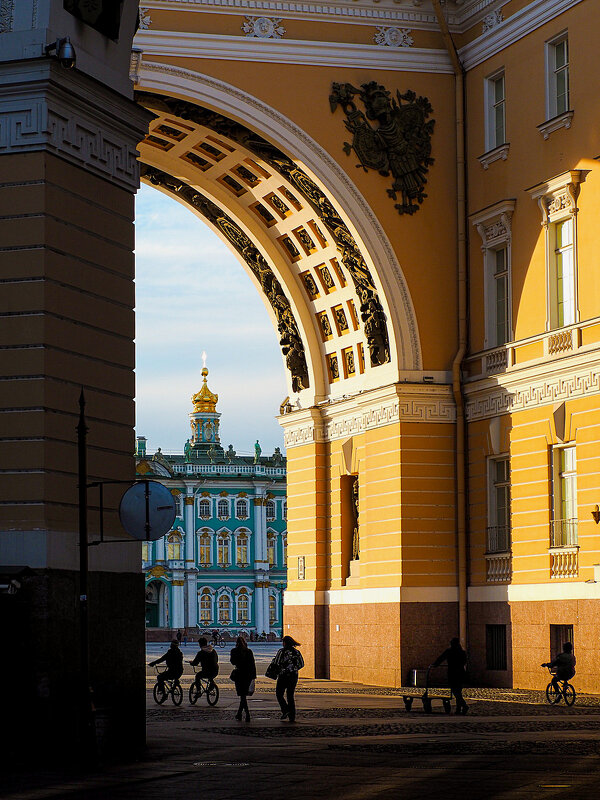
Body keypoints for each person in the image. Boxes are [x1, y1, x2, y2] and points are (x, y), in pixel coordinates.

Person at [432, 637, 468, 715]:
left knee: (455, 691)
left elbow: (441, 658)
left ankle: (464, 705)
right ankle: (459, 709)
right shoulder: (462, 652)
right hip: (461, 673)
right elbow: (464, 662)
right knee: (458, 691)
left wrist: (435, 665)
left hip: (453, 673)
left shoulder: (449, 651)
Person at [273, 635, 304, 723]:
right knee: (290, 696)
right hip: (293, 676)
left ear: (285, 643)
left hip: (283, 676)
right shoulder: (296, 652)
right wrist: (294, 669)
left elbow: (276, 663)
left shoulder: (281, 652)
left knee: (279, 694)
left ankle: (285, 710)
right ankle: (292, 716)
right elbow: (301, 664)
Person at [230, 636, 256, 722]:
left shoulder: (234, 651)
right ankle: (240, 714)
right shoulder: (249, 651)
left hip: (239, 674)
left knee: (242, 695)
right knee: (243, 695)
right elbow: (253, 664)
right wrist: (253, 676)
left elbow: (233, 662)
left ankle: (247, 714)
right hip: (248, 675)